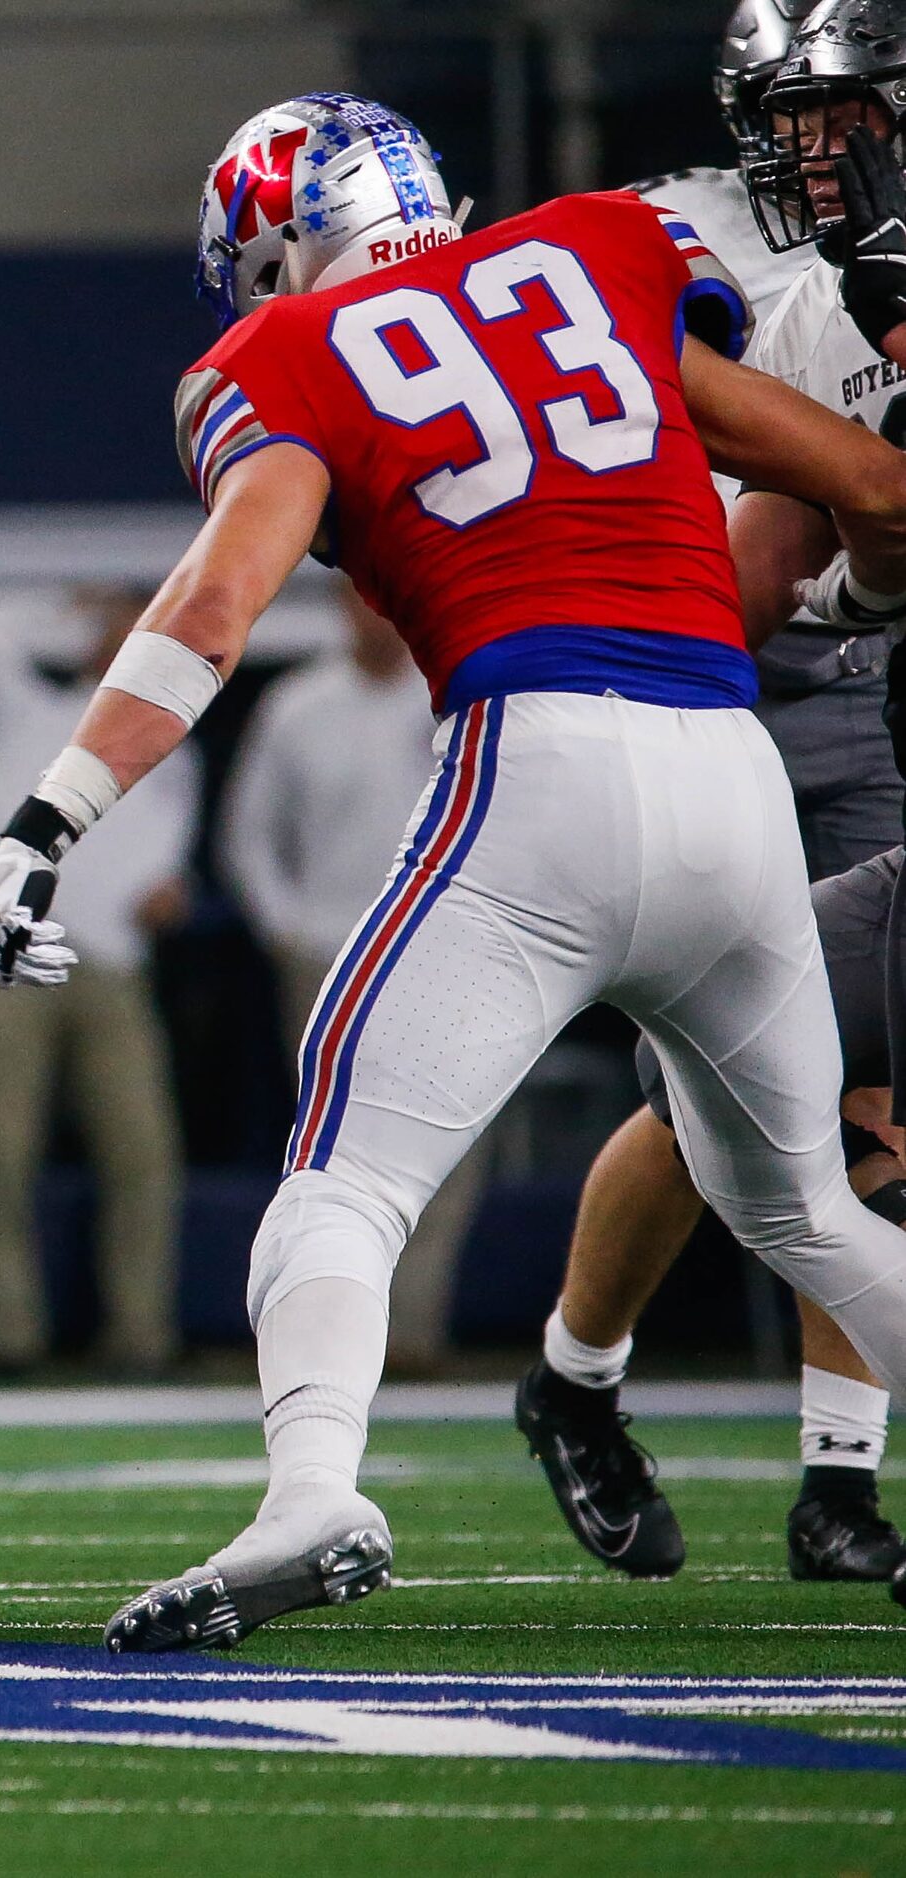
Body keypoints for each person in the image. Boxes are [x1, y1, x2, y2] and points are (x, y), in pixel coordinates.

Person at [0, 92, 906, 1653]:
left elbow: (211, 608)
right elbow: (869, 493)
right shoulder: (601, 248)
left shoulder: (276, 358)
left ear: (281, 245)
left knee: (342, 1178)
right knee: (804, 1200)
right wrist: (869, 597)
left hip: (535, 760)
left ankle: (311, 1490)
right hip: (731, 770)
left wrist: (52, 817)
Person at [516, 0, 906, 1590]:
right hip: (784, 708)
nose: (806, 154)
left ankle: (837, 1475)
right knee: (735, 1066)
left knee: (853, 1108)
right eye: (787, 119)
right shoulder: (804, 303)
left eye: (836, 117)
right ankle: (575, 1377)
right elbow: (773, 564)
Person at [222, 583, 487, 1374]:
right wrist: (286, 928)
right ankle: (321, 1336)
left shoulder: (457, 695)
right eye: (360, 603)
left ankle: (410, 1334)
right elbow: (248, 835)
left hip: (440, 953)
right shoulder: (297, 705)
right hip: (327, 952)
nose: (372, 616)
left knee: (448, 1144)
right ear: (344, 608)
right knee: (331, 1152)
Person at [0, 583, 194, 1374]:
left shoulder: (170, 736)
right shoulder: (23, 705)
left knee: (143, 1151)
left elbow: (166, 841)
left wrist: (162, 882)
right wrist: (74, 606)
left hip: (110, 957)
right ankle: (5, 1337)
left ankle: (140, 1336)